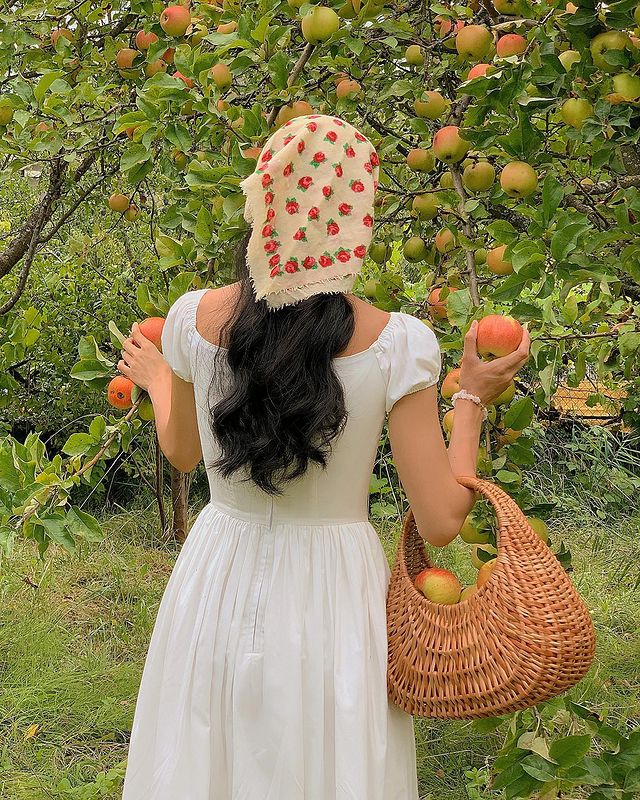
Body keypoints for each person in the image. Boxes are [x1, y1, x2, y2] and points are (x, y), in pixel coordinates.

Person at [118, 114, 530, 799]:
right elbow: (440, 521)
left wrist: (161, 377)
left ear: (261, 205)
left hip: (218, 570)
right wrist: (473, 402)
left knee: (204, 750)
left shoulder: (193, 319)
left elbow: (183, 453)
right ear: (355, 220)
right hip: (337, 589)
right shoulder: (398, 343)